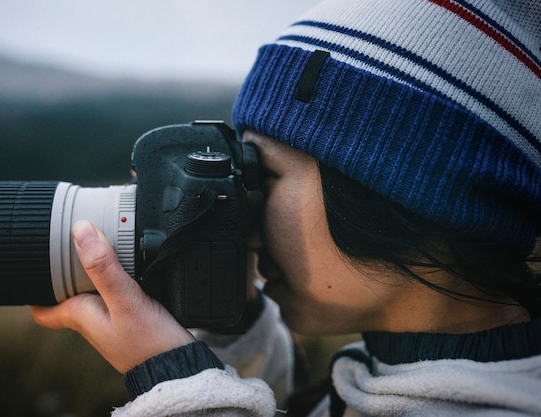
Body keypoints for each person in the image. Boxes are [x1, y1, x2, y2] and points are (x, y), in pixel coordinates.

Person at [30, 0, 541, 415]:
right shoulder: (388, 375)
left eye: (263, 177)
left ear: (405, 191)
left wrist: (177, 387)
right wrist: (228, 327)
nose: (245, 223)